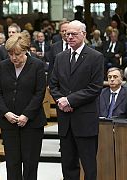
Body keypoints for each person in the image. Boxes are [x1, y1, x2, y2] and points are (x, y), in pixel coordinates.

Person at [49, 20, 104, 180]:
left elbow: (95, 87)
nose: (70, 37)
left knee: (88, 165)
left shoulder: (95, 57)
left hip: (85, 120)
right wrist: (61, 101)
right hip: (65, 120)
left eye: (74, 34)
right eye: (67, 34)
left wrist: (70, 100)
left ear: (84, 35)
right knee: (68, 164)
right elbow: (53, 85)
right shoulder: (60, 57)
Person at [0, 32, 46, 180]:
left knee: (30, 164)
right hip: (8, 123)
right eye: (10, 54)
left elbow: (39, 93)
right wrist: (6, 113)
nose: (13, 58)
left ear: (25, 50)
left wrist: (26, 115)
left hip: (32, 123)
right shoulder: (3, 66)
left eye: (17, 54)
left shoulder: (37, 65)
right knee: (12, 163)